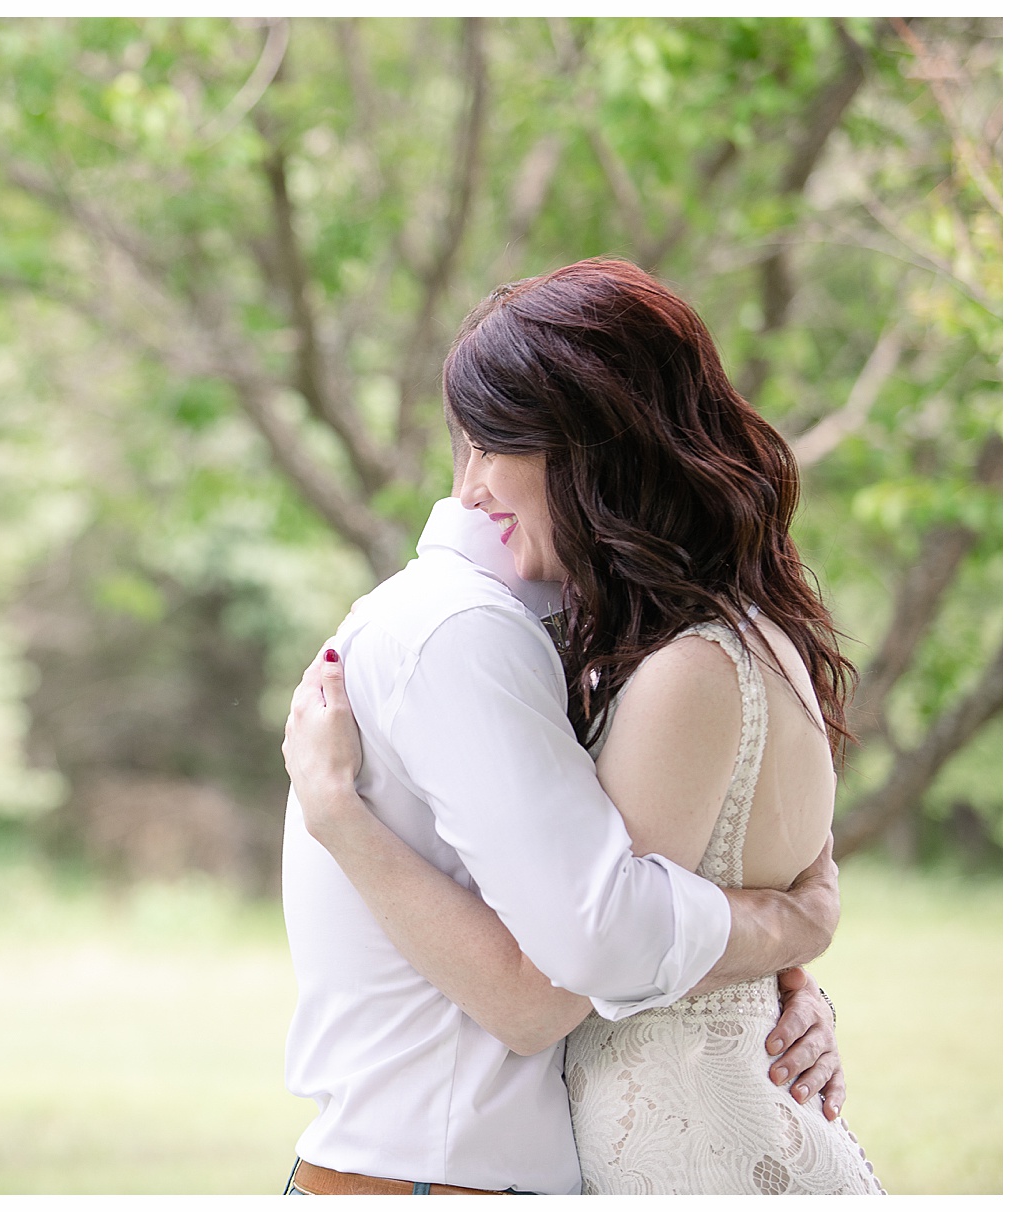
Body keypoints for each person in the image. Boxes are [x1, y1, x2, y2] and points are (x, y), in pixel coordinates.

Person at [280, 259, 880, 1194]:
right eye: (465, 445)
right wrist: (786, 930)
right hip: (429, 1178)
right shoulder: (470, 630)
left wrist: (784, 976)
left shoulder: (644, 653)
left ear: (606, 445)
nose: (469, 488)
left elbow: (602, 941)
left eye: (502, 445)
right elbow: (557, 980)